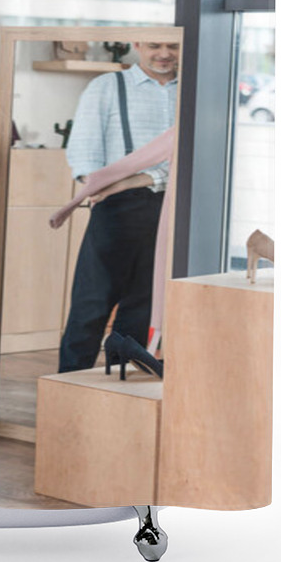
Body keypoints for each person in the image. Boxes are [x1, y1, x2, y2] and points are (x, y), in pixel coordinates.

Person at [58, 41, 180, 373]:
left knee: (143, 308)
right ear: (138, 44)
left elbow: (189, 158)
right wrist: (99, 184)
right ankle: (70, 391)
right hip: (115, 206)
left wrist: (135, 179)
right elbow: (83, 147)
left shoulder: (191, 89)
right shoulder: (107, 87)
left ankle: (122, 393)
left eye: (173, 46)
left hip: (171, 208)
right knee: (90, 306)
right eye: (155, 46)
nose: (165, 54)